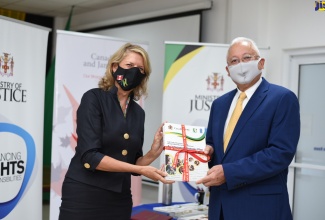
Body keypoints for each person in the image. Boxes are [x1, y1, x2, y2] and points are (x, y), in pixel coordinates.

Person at [59, 43, 174, 220]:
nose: (134, 71)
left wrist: (153, 152)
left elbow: (134, 163)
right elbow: (90, 156)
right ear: (115, 66)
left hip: (119, 198)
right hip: (84, 195)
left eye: (140, 69)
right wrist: (141, 170)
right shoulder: (94, 98)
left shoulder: (138, 112)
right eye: (129, 65)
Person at [196, 37, 300, 220]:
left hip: (261, 209)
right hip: (220, 207)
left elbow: (280, 154)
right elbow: (213, 144)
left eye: (246, 58)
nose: (241, 65)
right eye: (234, 61)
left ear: (261, 63)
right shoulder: (220, 104)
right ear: (228, 71)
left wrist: (229, 173)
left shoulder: (282, 98)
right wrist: (208, 151)